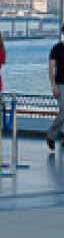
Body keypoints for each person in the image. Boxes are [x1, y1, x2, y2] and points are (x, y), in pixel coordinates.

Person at [47, 25, 64, 155]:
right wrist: (53, 86)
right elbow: (51, 68)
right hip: (60, 84)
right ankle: (51, 136)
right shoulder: (57, 48)